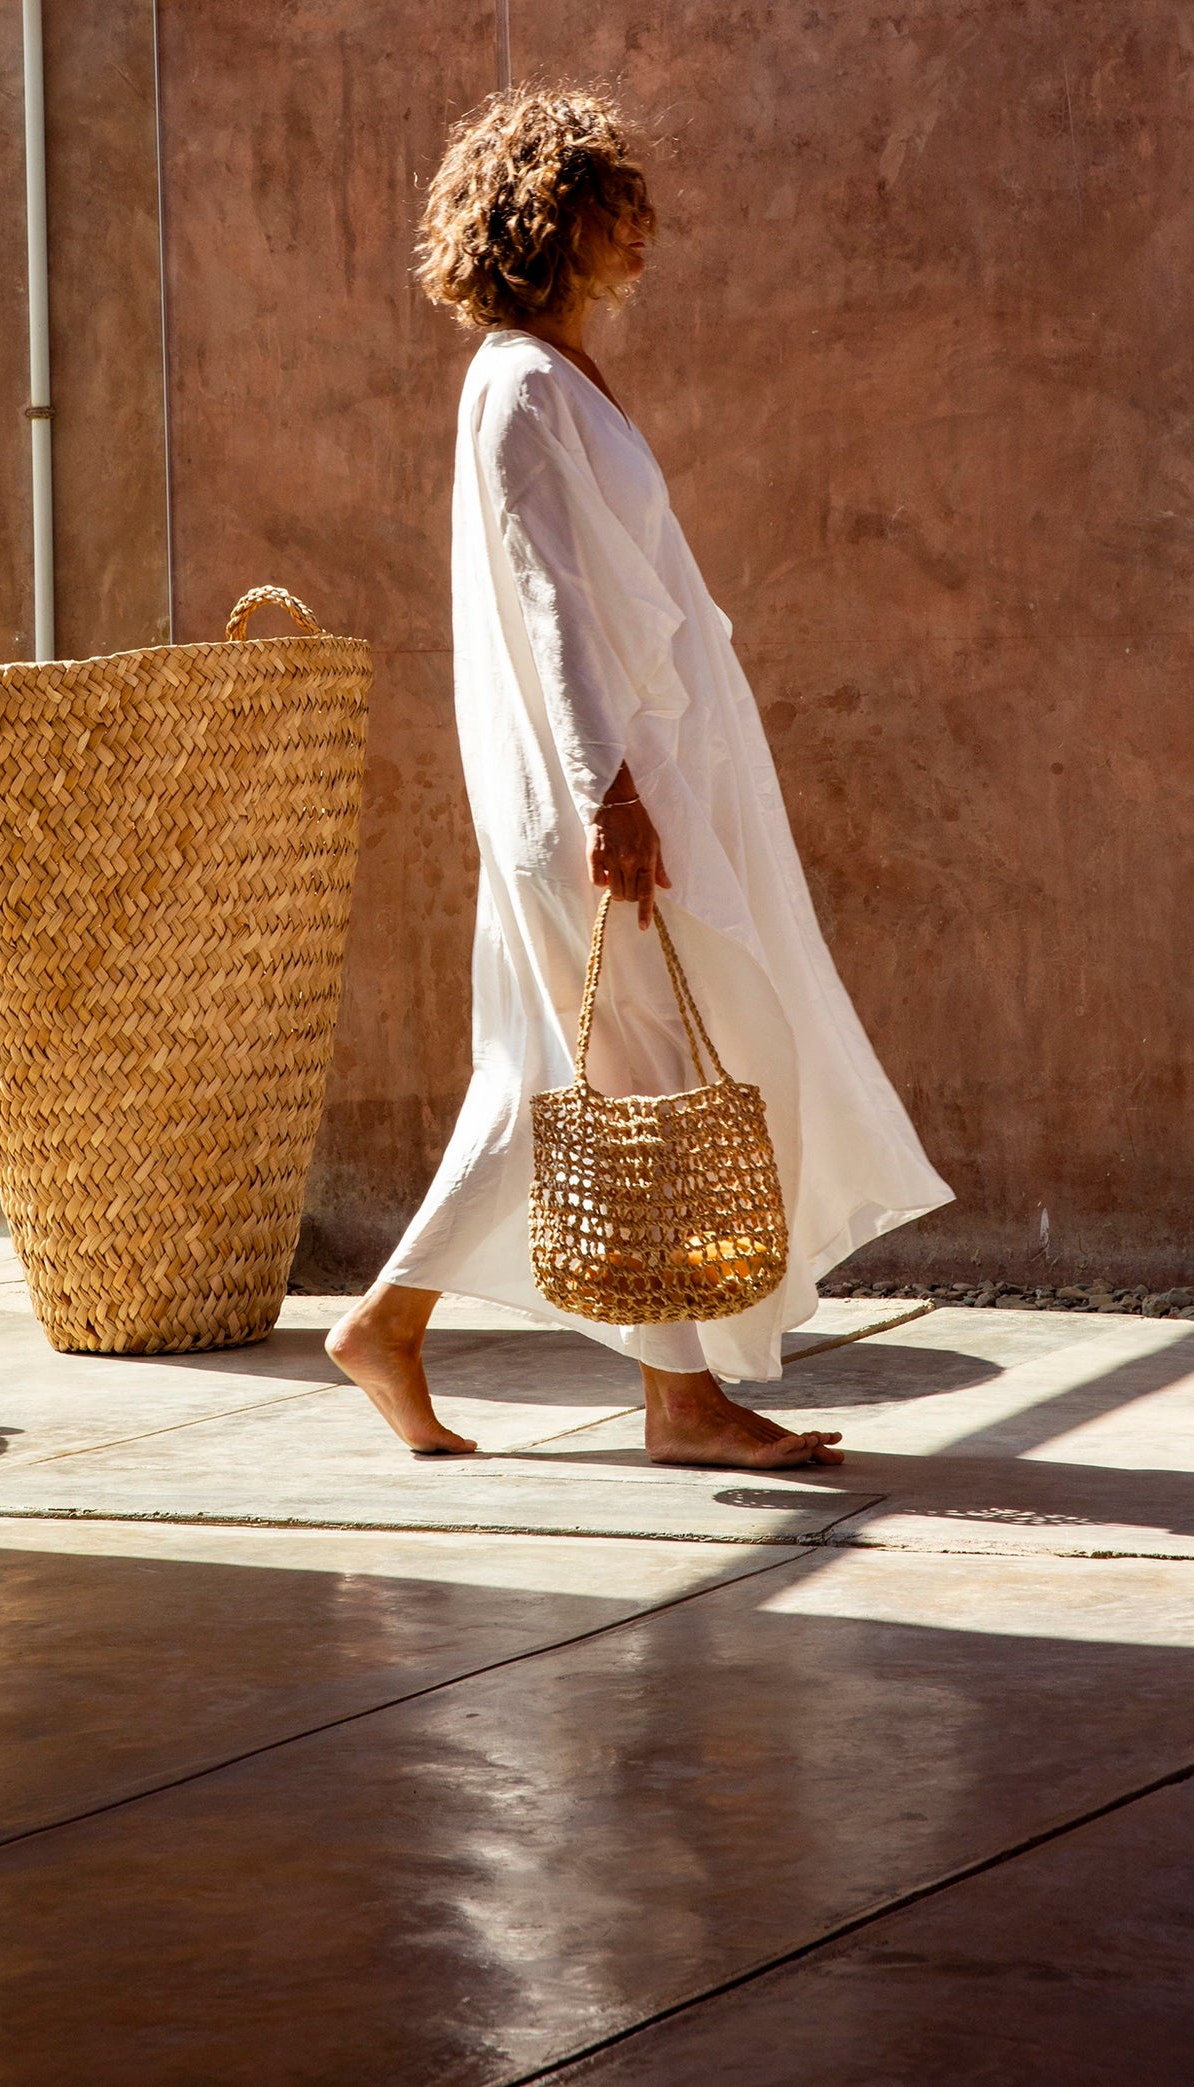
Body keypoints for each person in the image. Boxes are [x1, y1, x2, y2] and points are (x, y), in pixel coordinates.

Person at [328, 86, 952, 1468]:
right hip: (591, 794)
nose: (638, 237)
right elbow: (550, 605)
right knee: (654, 1074)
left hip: (624, 779)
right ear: (546, 223)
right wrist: (608, 791)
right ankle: (680, 1403)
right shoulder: (515, 388)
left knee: (569, 1073)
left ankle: (387, 1325)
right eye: (613, 212)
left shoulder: (555, 376)